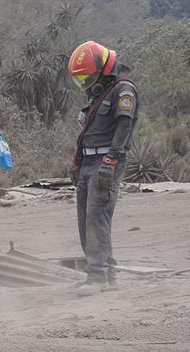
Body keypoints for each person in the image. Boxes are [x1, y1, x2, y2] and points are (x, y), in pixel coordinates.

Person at [67, 41, 140, 292]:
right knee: (85, 220)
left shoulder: (124, 90)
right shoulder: (99, 93)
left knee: (97, 218)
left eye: (88, 76)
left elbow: (124, 126)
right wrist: (77, 160)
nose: (85, 82)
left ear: (103, 69)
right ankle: (104, 275)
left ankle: (97, 276)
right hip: (88, 161)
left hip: (105, 161)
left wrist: (111, 160)